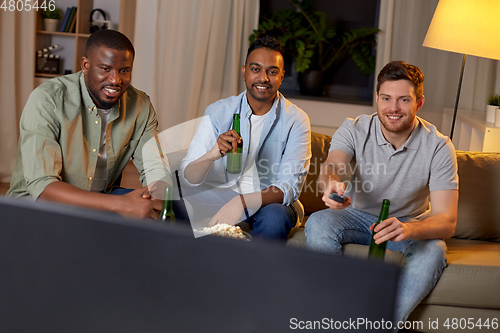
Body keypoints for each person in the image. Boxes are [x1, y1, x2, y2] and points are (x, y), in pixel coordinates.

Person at [304, 61, 458, 326]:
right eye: (386, 98)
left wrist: (408, 230)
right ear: (376, 98)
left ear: (419, 103)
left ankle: (377, 325)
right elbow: (332, 166)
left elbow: (447, 220)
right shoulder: (354, 129)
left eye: (403, 100)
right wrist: (331, 185)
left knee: (435, 250)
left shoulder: (439, 146)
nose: (393, 108)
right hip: (355, 217)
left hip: (406, 225)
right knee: (318, 222)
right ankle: (335, 317)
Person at [7, 29, 170, 219]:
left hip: (102, 200)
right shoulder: (47, 100)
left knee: (177, 211)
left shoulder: (141, 106)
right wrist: (121, 204)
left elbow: (156, 168)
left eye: (124, 70)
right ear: (85, 65)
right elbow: (43, 187)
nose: (115, 80)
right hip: (37, 206)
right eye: (105, 69)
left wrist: (156, 196)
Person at [180, 36, 311, 240]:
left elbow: (290, 187)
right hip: (223, 193)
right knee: (176, 203)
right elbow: (189, 176)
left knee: (274, 220)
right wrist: (212, 154)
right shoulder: (218, 112)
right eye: (255, 69)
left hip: (271, 203)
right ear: (244, 72)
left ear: (282, 76)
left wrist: (241, 201)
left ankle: (248, 271)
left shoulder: (297, 120)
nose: (263, 78)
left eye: (272, 71)